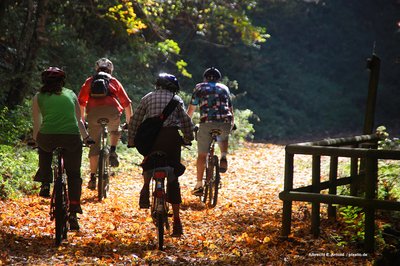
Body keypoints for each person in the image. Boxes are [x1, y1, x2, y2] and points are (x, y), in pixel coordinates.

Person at [128, 73, 194, 237]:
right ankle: (177, 221)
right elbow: (186, 122)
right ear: (174, 87)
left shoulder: (147, 97)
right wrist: (188, 138)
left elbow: (135, 120)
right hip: (171, 138)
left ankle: (145, 187)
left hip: (151, 139)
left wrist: (131, 140)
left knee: (148, 160)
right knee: (173, 176)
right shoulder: (176, 100)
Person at [32, 67, 93, 231]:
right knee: (73, 174)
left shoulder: (38, 97)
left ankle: (45, 182)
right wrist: (86, 137)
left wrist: (35, 140)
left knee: (43, 148)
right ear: (62, 81)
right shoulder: (71, 94)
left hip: (47, 137)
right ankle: (73, 212)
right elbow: (79, 121)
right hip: (71, 137)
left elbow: (37, 124)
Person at [78, 58, 132, 190]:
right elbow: (127, 103)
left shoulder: (89, 81)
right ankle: (113, 150)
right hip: (112, 111)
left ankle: (92, 177)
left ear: (96, 69)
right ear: (110, 70)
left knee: (94, 146)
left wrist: (83, 121)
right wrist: (129, 123)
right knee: (115, 130)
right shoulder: (113, 81)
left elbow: (81, 102)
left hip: (93, 113)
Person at [187, 67, 234, 196]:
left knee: (202, 155)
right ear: (219, 78)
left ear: (205, 78)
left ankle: (199, 185)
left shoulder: (199, 87)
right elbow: (230, 108)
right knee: (223, 137)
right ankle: (223, 156)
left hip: (207, 122)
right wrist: (232, 124)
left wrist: (186, 123)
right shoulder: (224, 88)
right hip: (225, 121)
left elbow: (191, 108)